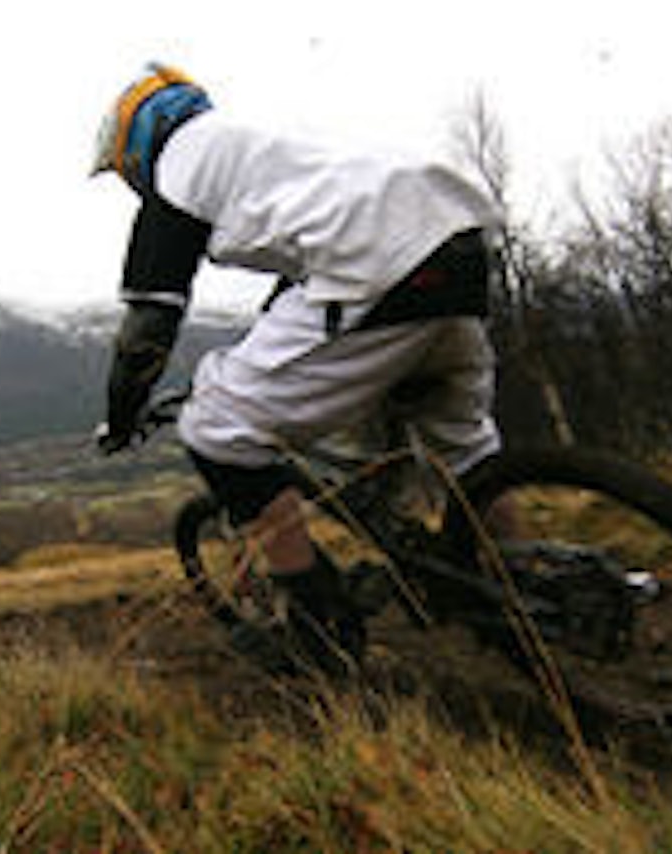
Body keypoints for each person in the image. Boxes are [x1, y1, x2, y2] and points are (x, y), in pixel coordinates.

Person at [91, 63, 503, 674]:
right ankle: (517, 584)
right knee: (462, 449)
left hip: (378, 270)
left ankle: (321, 632)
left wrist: (121, 415)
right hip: (458, 248)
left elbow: (148, 329)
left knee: (216, 430)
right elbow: (300, 277)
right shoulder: (271, 147)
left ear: (138, 144)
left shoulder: (180, 170)